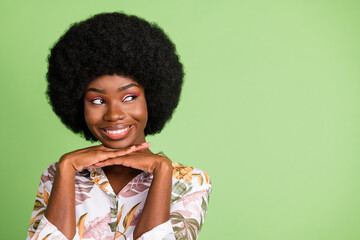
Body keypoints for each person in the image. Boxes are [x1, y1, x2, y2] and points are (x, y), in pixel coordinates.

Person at [27, 12, 211, 240]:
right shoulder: (56, 175)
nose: (113, 115)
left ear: (151, 98)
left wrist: (162, 171)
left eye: (129, 97)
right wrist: (67, 167)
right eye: (97, 101)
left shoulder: (189, 182)